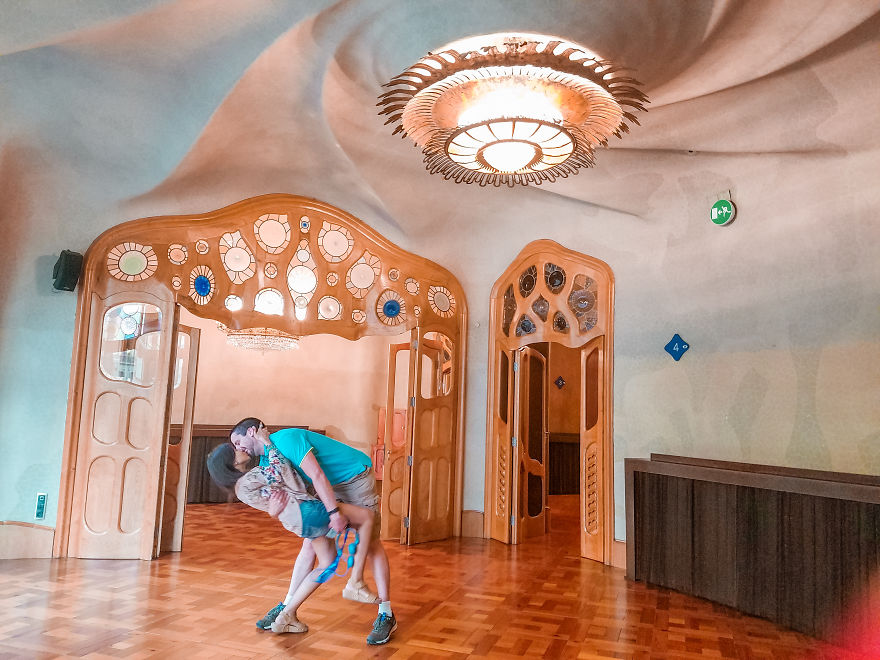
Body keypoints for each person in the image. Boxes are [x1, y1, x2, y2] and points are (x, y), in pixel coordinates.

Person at [229, 418, 397, 646]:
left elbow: (316, 475)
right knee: (309, 544)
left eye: (238, 441)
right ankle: (287, 608)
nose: (238, 448)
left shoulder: (286, 439)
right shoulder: (267, 456)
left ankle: (385, 612)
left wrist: (334, 512)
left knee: (371, 543)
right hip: (329, 486)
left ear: (251, 431)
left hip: (354, 477)